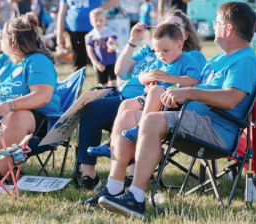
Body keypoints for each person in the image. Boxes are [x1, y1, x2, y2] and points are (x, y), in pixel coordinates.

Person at [82, 2, 256, 219]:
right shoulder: (218, 59)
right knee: (126, 114)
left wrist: (187, 93)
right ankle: (113, 188)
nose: (214, 27)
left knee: (151, 121)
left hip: (216, 129)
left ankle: (136, 197)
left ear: (229, 28)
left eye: (217, 23)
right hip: (191, 116)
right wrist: (169, 94)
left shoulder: (245, 60)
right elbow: (197, 89)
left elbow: (231, 99)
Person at [77, 10, 206, 191]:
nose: (168, 30)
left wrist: (163, 82)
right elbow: (120, 72)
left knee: (133, 109)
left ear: (184, 35)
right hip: (137, 96)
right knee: (102, 108)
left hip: (162, 103)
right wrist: (134, 46)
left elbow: (193, 82)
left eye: (175, 26)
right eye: (164, 26)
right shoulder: (154, 51)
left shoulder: (191, 57)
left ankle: (133, 170)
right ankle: (94, 169)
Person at [0, 13, 61, 179]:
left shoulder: (37, 60)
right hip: (3, 119)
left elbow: (42, 96)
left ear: (13, 41)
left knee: (17, 115)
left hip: (42, 124)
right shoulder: (4, 60)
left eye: (1, 36)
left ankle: (1, 172)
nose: (0, 39)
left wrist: (10, 105)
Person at [119, 23, 202, 141]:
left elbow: (194, 80)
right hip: (153, 98)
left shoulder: (187, 60)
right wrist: (148, 77)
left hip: (173, 101)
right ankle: (112, 143)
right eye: (157, 51)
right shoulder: (160, 62)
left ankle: (141, 127)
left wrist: (168, 78)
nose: (160, 55)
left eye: (165, 50)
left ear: (179, 45)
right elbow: (141, 77)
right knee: (125, 104)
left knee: (155, 91)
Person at [57, 0, 120, 72]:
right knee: (78, 63)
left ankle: (104, 87)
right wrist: (60, 34)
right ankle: (78, 88)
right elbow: (62, 12)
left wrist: (99, 10)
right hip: (74, 30)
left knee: (101, 61)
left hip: (95, 29)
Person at [85, 8, 119, 87]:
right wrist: (96, 63)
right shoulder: (91, 36)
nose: (98, 22)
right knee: (103, 84)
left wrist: (112, 45)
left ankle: (114, 96)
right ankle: (105, 97)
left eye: (101, 20)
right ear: (91, 22)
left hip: (112, 62)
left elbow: (116, 47)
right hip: (100, 62)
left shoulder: (110, 33)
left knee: (113, 82)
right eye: (96, 20)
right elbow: (90, 51)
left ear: (105, 21)